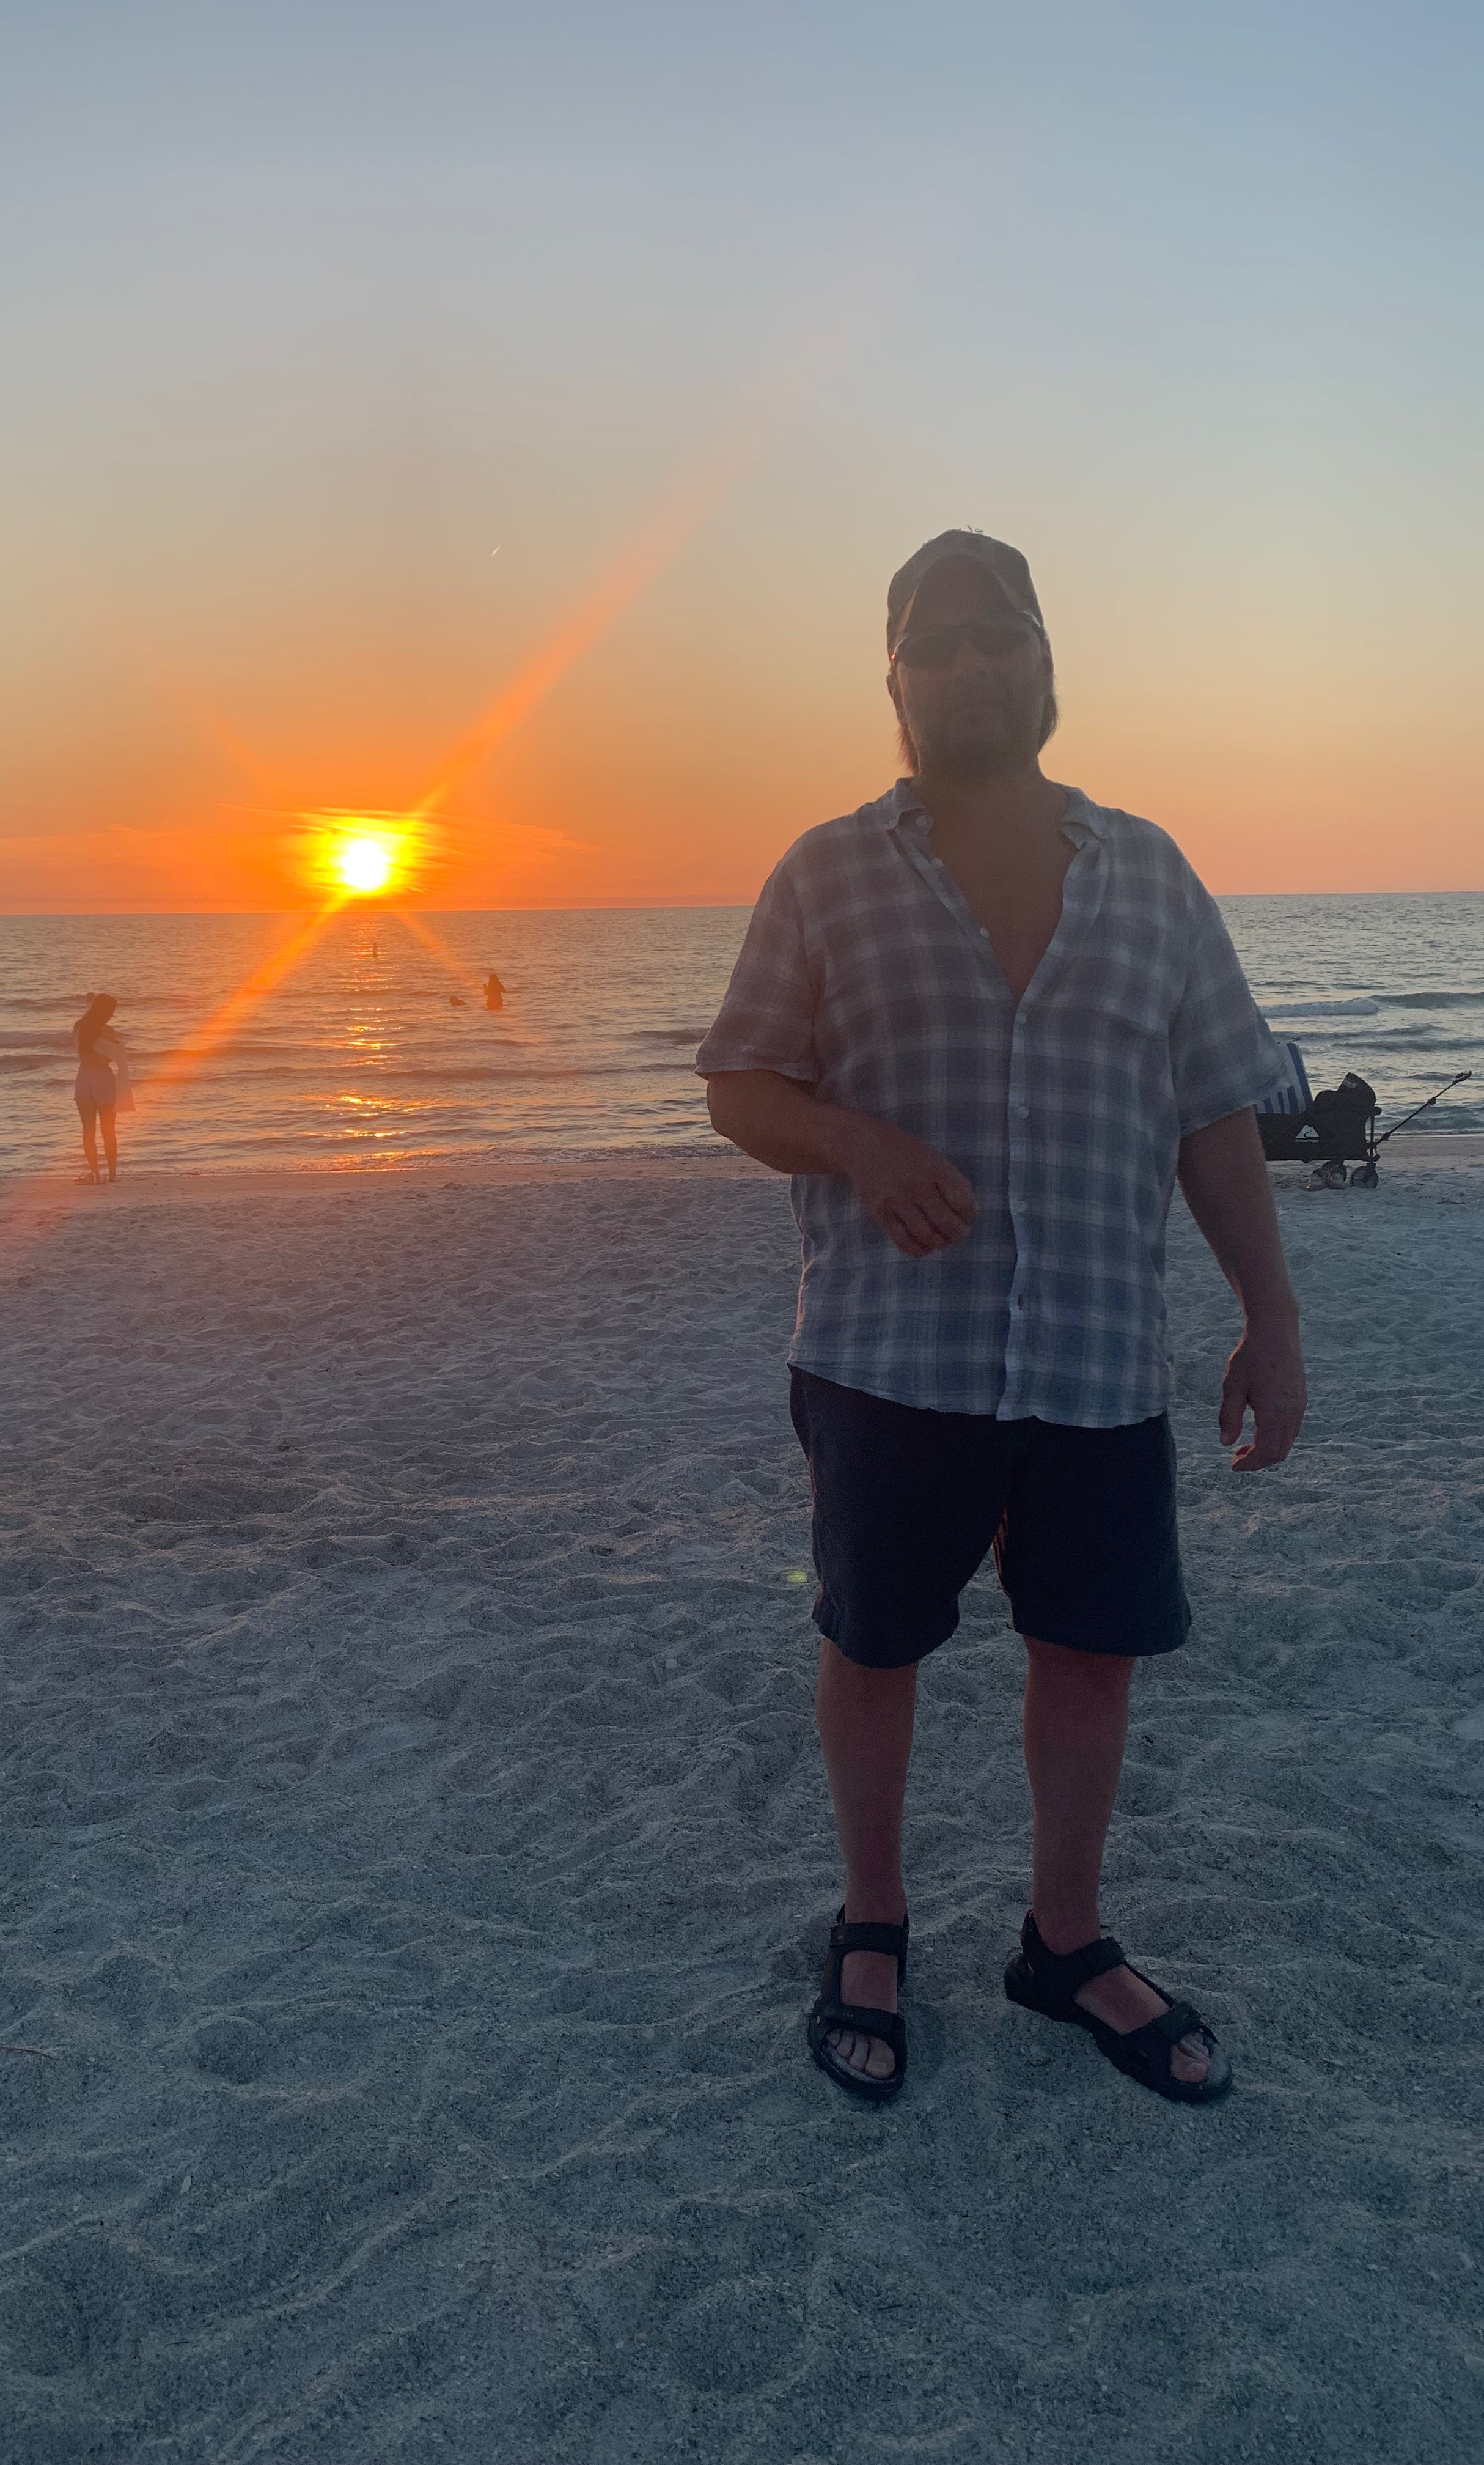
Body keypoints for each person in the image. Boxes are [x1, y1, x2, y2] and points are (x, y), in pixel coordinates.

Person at [697, 530, 1304, 2107]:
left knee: (1091, 1655)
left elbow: (1216, 1113)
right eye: (938, 646)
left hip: (1100, 1357)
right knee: (875, 1643)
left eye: (1001, 637)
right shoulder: (827, 872)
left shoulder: (1151, 872)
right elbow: (742, 1083)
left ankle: (1065, 1941)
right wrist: (859, 1143)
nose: (972, 667)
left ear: (1047, 662)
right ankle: (874, 1920)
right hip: (889, 1357)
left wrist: (1270, 1316)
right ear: (894, 683)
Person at [72, 993, 129, 1183]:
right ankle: (112, 1174)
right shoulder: (107, 1031)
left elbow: (83, 1052)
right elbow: (109, 1057)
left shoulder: (79, 1027)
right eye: (111, 1012)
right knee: (108, 1130)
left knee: (88, 1130)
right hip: (103, 1078)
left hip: (83, 1077)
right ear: (104, 1012)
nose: (111, 1016)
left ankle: (95, 1173)